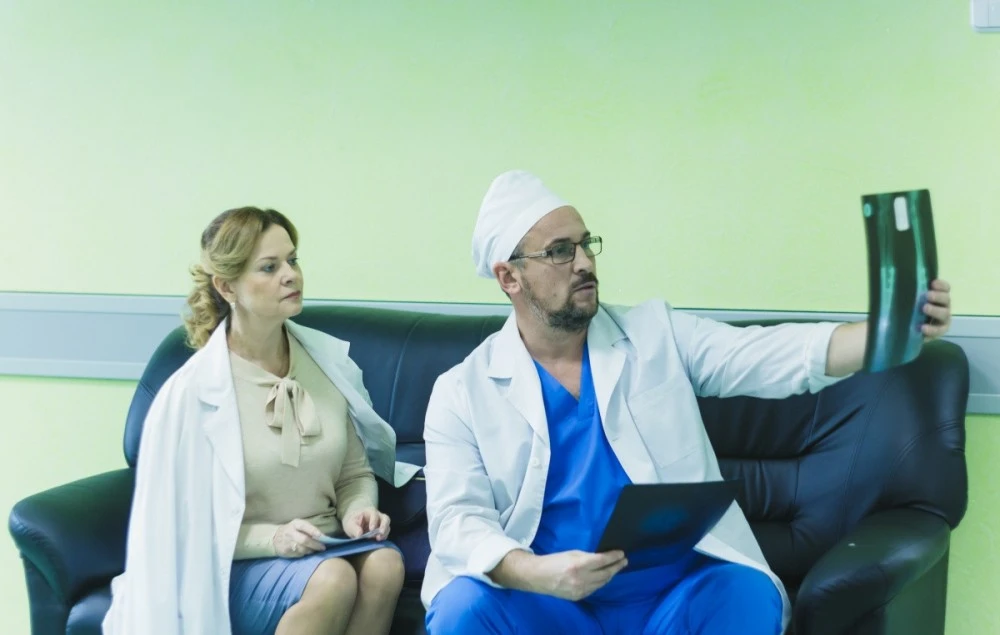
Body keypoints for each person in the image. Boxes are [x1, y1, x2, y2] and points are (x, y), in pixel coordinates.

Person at [420, 171, 953, 634]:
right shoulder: (462, 392)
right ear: (509, 277)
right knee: (464, 608)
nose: (584, 262)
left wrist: (886, 334)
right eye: (560, 251)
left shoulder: (655, 334)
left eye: (586, 244)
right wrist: (537, 573)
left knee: (744, 592)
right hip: (550, 601)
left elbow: (766, 355)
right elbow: (457, 521)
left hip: (672, 597)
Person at [103, 207, 421, 635]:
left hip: (326, 547)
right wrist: (274, 539)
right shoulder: (193, 393)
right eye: (269, 267)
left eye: (293, 260)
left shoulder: (326, 364)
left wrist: (358, 511)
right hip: (238, 562)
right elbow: (186, 528)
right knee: (333, 579)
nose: (291, 275)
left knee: (384, 566)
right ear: (226, 286)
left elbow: (354, 473)